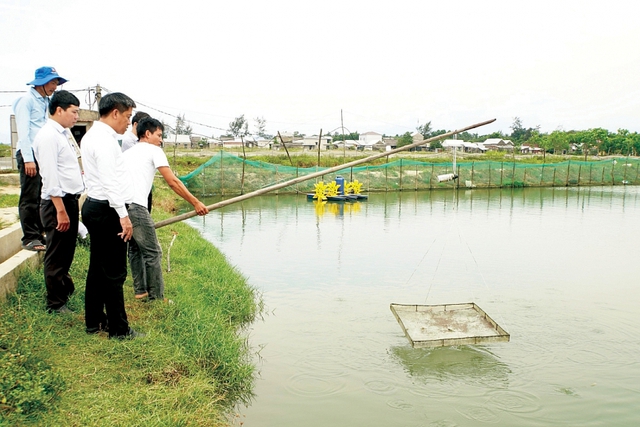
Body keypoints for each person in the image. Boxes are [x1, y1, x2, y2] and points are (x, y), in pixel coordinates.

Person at [123, 117, 208, 301]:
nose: (161, 140)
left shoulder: (128, 153)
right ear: (147, 134)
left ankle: (140, 291)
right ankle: (157, 297)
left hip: (122, 207)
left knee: (135, 249)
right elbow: (173, 182)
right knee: (153, 252)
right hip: (136, 206)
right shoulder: (154, 150)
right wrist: (195, 202)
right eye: (159, 135)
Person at [80, 92, 143, 339]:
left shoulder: (93, 136)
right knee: (115, 272)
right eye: (127, 116)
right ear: (115, 113)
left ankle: (94, 321)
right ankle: (119, 329)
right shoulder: (104, 141)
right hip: (107, 210)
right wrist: (123, 216)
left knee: (98, 268)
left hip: (97, 207)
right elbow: (110, 182)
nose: (129, 122)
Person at [32, 90, 84, 314]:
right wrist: (60, 210)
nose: (76, 116)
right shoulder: (48, 136)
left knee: (66, 252)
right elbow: (50, 177)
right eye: (74, 112)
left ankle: (63, 290)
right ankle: (55, 303)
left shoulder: (63, 134)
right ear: (59, 110)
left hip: (68, 201)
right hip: (57, 204)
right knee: (56, 254)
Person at [13, 66, 68, 251]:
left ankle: (39, 233)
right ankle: (29, 237)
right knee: (30, 196)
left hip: (42, 153)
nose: (55, 86)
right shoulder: (26, 101)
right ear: (42, 83)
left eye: (56, 83)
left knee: (41, 194)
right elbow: (23, 132)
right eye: (53, 82)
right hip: (29, 154)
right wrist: (28, 159)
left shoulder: (46, 101)